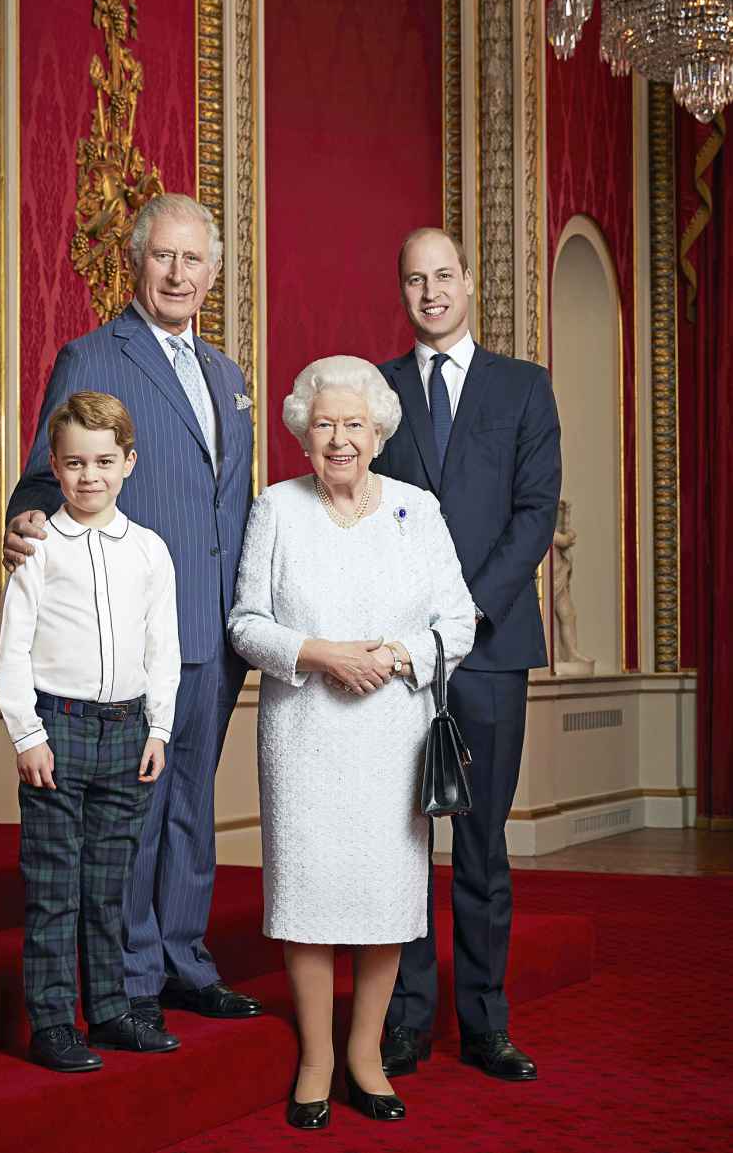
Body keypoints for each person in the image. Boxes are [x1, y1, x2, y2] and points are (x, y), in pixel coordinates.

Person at [2, 194, 261, 1046]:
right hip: (137, 629)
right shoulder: (93, 354)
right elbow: (48, 471)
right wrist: (29, 517)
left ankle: (187, 960)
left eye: (194, 261)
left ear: (213, 273)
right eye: (164, 258)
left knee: (192, 803)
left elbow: (231, 505)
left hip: (216, 629)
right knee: (136, 817)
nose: (179, 274)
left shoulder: (228, 375)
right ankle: (132, 977)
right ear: (138, 263)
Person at [229, 357, 476, 1129]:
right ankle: (316, 1056)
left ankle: (366, 1053)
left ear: (378, 432)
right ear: (304, 433)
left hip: (391, 733)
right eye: (325, 424)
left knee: (384, 898)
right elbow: (245, 622)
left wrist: (395, 656)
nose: (340, 439)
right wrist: (320, 653)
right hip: (304, 731)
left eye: (354, 425)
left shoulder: (418, 508)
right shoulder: (276, 507)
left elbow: (458, 621)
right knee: (306, 896)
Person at [372, 227, 561, 1082]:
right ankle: (406, 1018)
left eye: (443, 275)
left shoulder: (525, 388)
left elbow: (534, 515)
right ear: (403, 291)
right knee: (404, 843)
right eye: (415, 280)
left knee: (482, 846)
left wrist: (465, 612)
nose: (430, 292)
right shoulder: (371, 391)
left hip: (488, 650)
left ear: (470, 283)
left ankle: (485, 1021)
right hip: (401, 657)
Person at [0, 391, 181, 1071]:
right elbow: (10, 650)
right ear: (55, 464)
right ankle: (51, 1020)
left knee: (108, 882)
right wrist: (26, 734)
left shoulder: (151, 552)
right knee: (52, 882)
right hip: (58, 728)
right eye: (75, 463)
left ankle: (108, 1009)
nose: (89, 476)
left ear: (128, 461)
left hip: (128, 731)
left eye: (104, 460)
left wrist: (159, 727)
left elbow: (164, 645)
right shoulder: (39, 548)